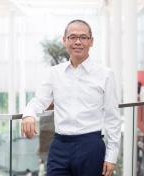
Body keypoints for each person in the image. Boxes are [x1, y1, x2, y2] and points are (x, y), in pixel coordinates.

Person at [21, 19, 121, 176]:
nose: (78, 42)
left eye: (83, 37)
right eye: (73, 37)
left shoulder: (105, 74)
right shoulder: (54, 73)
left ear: (91, 41)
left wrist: (111, 156)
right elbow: (39, 101)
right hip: (59, 146)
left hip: (91, 146)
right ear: (64, 40)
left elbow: (112, 118)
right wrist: (28, 114)